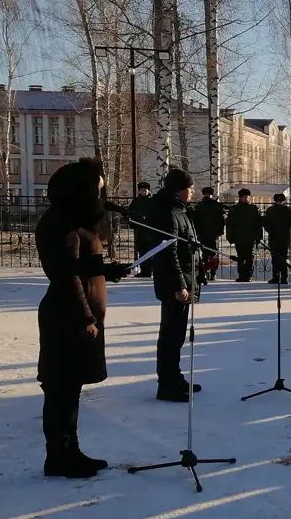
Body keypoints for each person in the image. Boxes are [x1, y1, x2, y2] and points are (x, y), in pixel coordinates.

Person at [35, 159, 130, 477]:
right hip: (67, 316)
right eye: (97, 187)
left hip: (77, 315)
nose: (101, 192)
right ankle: (59, 457)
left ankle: (69, 451)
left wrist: (108, 270)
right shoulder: (59, 226)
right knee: (61, 389)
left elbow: (81, 268)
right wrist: (86, 317)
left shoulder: (73, 222)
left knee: (69, 388)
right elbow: (66, 277)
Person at [149, 168, 201, 402]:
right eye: (190, 188)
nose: (193, 191)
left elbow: (186, 245)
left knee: (177, 335)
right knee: (170, 335)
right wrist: (179, 285)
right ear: (179, 190)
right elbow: (168, 253)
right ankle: (166, 385)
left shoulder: (181, 210)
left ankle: (175, 378)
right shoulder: (167, 211)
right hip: (175, 286)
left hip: (187, 279)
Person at [225, 188, 263, 282]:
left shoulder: (254, 208)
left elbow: (258, 224)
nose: (246, 198)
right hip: (239, 238)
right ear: (240, 198)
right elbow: (230, 224)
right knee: (241, 258)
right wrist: (230, 237)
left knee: (250, 257)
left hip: (251, 238)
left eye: (247, 197)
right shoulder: (235, 209)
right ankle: (242, 275)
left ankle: (248, 275)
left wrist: (258, 237)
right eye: (244, 197)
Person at [193, 187, 226, 281]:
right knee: (212, 254)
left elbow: (196, 220)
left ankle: (206, 273)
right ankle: (211, 273)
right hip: (211, 233)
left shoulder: (200, 205)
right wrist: (219, 231)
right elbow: (220, 220)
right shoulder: (215, 205)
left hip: (205, 233)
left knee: (205, 254)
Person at [263, 193, 291, 284]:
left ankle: (284, 277)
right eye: (278, 201)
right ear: (275, 201)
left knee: (283, 259)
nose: (279, 202)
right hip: (274, 237)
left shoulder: (287, 211)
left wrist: (289, 233)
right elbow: (265, 222)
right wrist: (270, 230)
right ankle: (275, 277)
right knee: (275, 259)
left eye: (281, 201)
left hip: (284, 238)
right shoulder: (270, 210)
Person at [127, 181, 155, 279]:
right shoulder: (136, 202)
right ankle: (145, 270)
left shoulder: (153, 201)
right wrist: (133, 223)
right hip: (141, 230)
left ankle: (152, 270)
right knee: (142, 251)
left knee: (152, 251)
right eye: (141, 190)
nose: (143, 192)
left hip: (152, 230)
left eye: (145, 190)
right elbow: (131, 214)